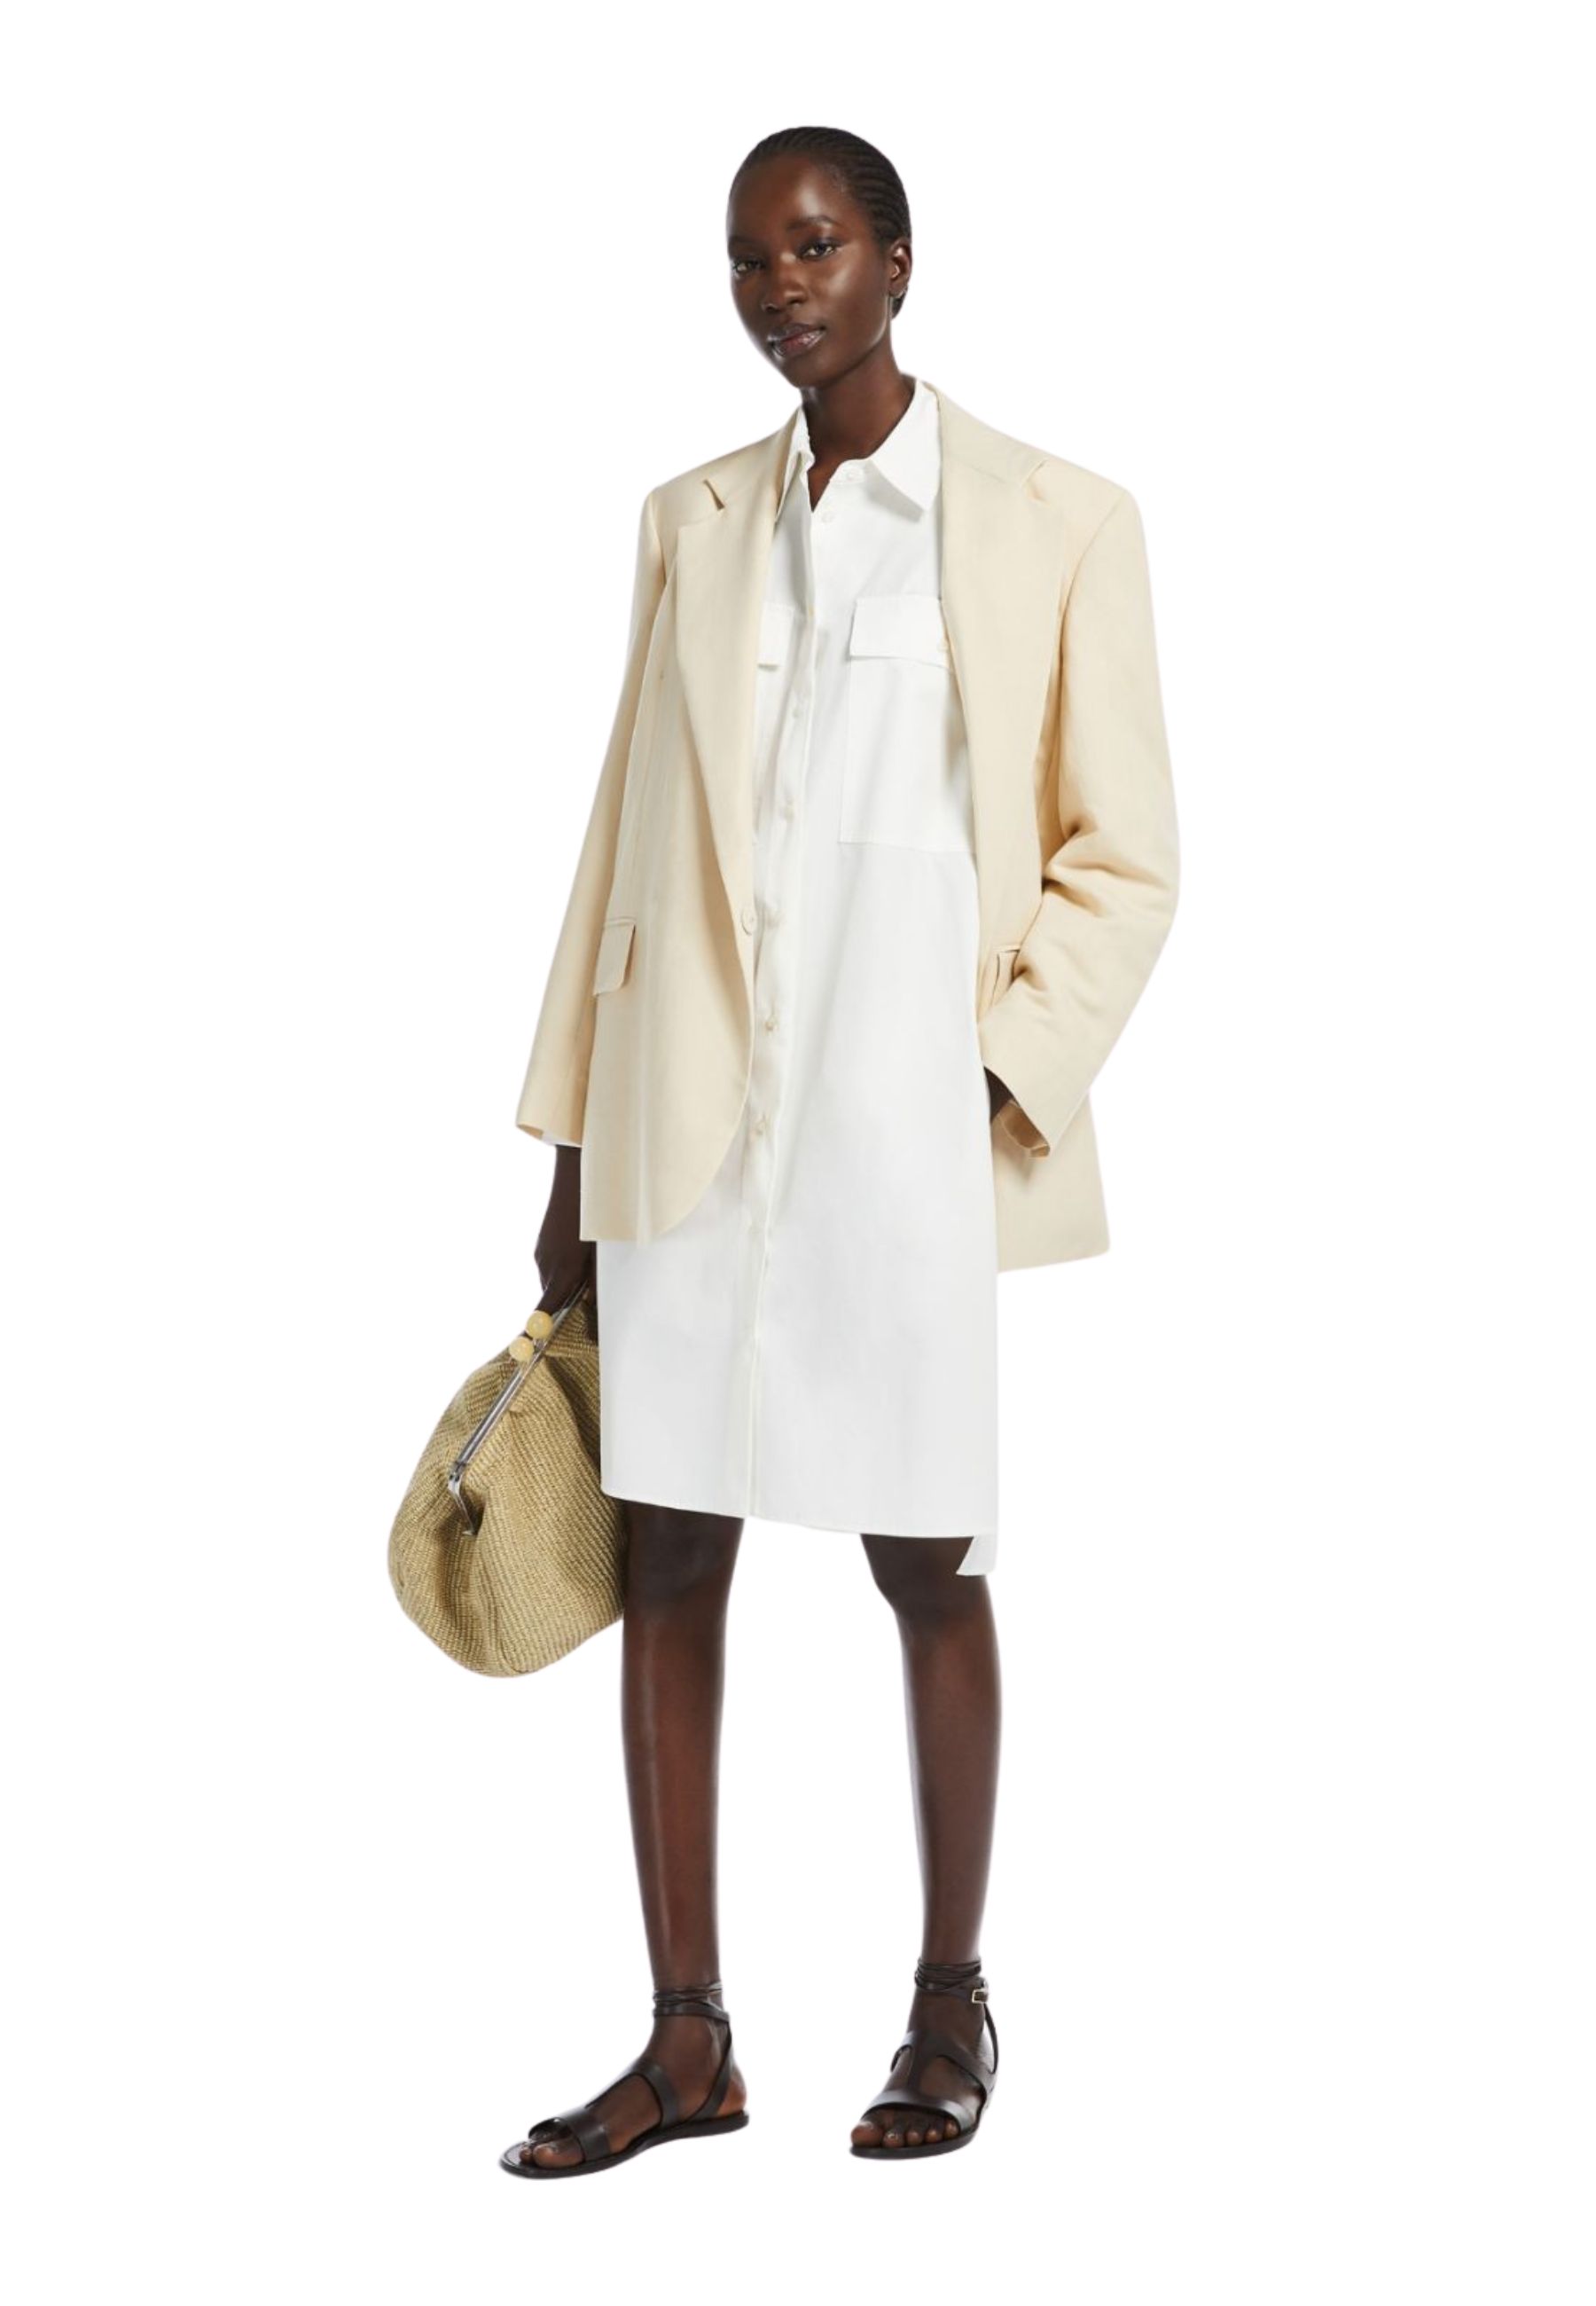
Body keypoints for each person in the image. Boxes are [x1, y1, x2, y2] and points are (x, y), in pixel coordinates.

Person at [502, 123, 1179, 2177]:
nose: (778, 284)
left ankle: (953, 2001)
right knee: (668, 1550)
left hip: (907, 1138)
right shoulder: (691, 520)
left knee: (926, 1560)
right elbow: (623, 845)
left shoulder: (1055, 517)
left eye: (812, 245)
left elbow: (1126, 857)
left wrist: (990, 1088)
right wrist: (570, 1150)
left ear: (896, 260)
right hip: (689, 1125)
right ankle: (687, 2040)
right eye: (747, 257)